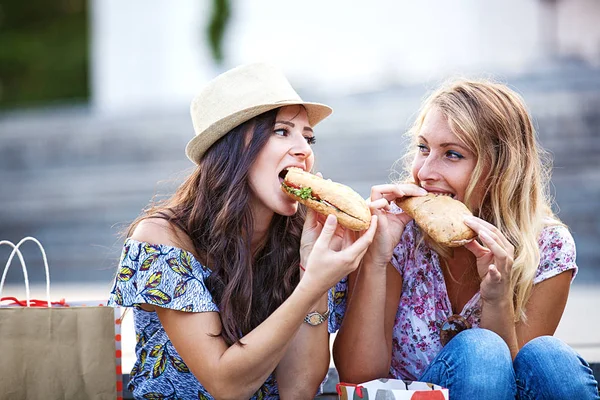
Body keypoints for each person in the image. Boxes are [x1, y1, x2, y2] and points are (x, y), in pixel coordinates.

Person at [108, 63, 377, 399]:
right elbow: (227, 385)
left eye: (308, 137)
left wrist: (311, 269)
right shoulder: (162, 241)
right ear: (232, 149)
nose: (305, 151)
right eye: (282, 131)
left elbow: (298, 389)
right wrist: (311, 286)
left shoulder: (300, 238)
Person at [331, 78, 600, 399]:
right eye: (423, 148)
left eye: (452, 154)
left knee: (550, 358)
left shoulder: (548, 247)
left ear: (501, 169)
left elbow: (521, 382)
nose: (425, 171)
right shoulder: (396, 232)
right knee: (481, 349)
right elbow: (359, 375)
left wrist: (496, 299)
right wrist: (377, 257)